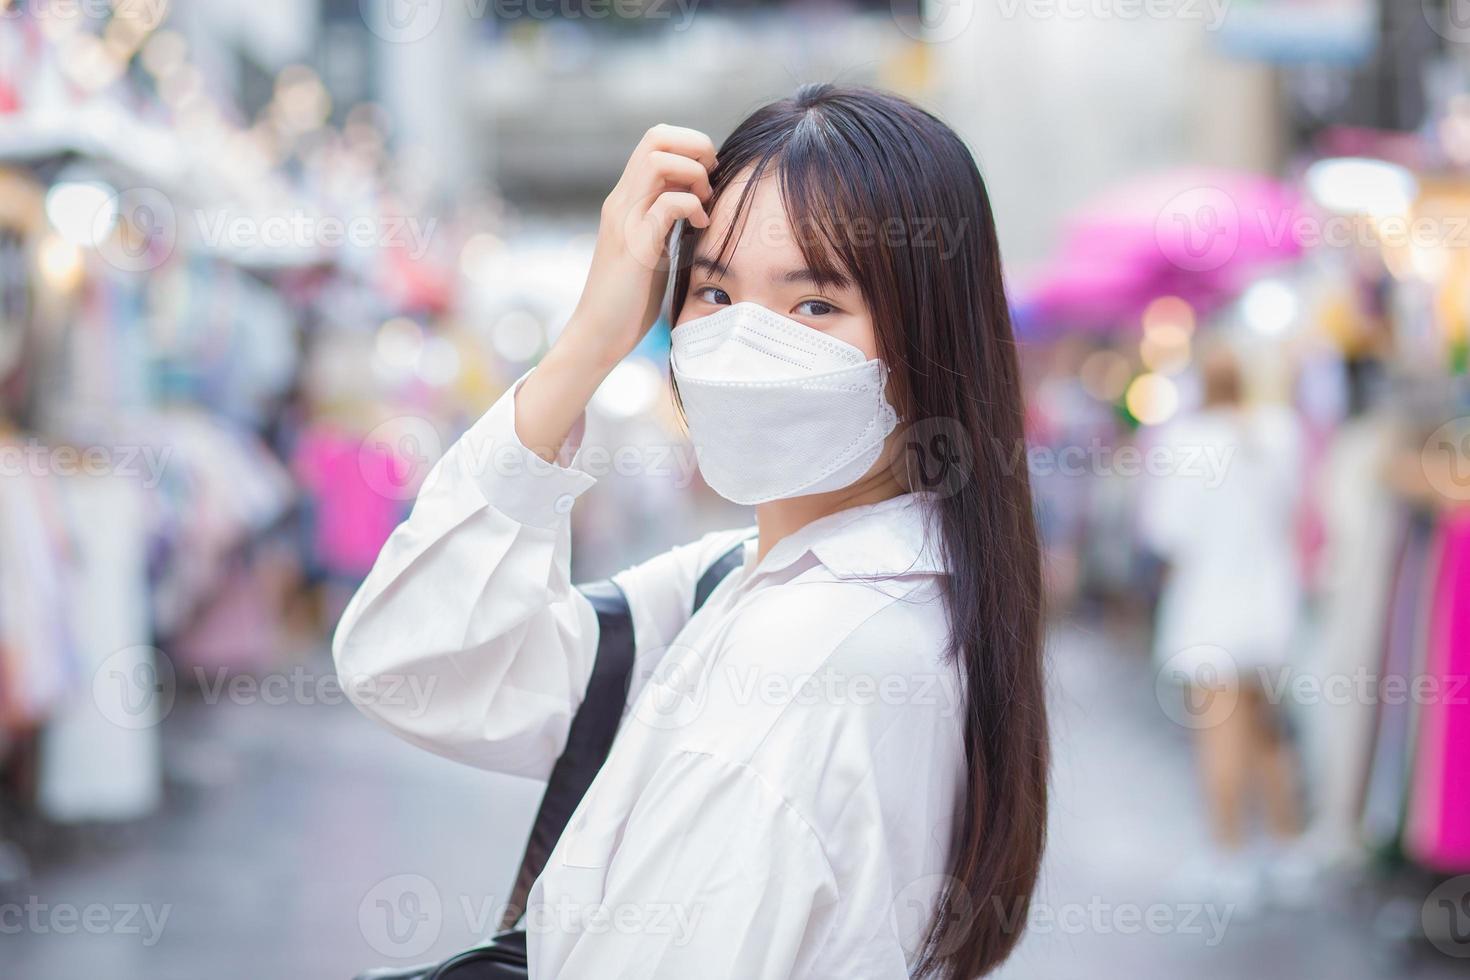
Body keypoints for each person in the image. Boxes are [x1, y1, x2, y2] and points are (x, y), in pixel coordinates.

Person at [333, 85, 1048, 979]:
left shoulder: (805, 658)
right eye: (714, 290)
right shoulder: (749, 581)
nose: (747, 341)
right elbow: (411, 665)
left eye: (815, 304)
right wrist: (589, 341)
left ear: (932, 337)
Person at [1141, 345, 1307, 907]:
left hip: (1211, 610)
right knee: (1267, 731)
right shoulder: (1280, 434)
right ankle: (1287, 848)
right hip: (1270, 609)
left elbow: (1166, 532)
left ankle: (1230, 856)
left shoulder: (1184, 443)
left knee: (1219, 737)